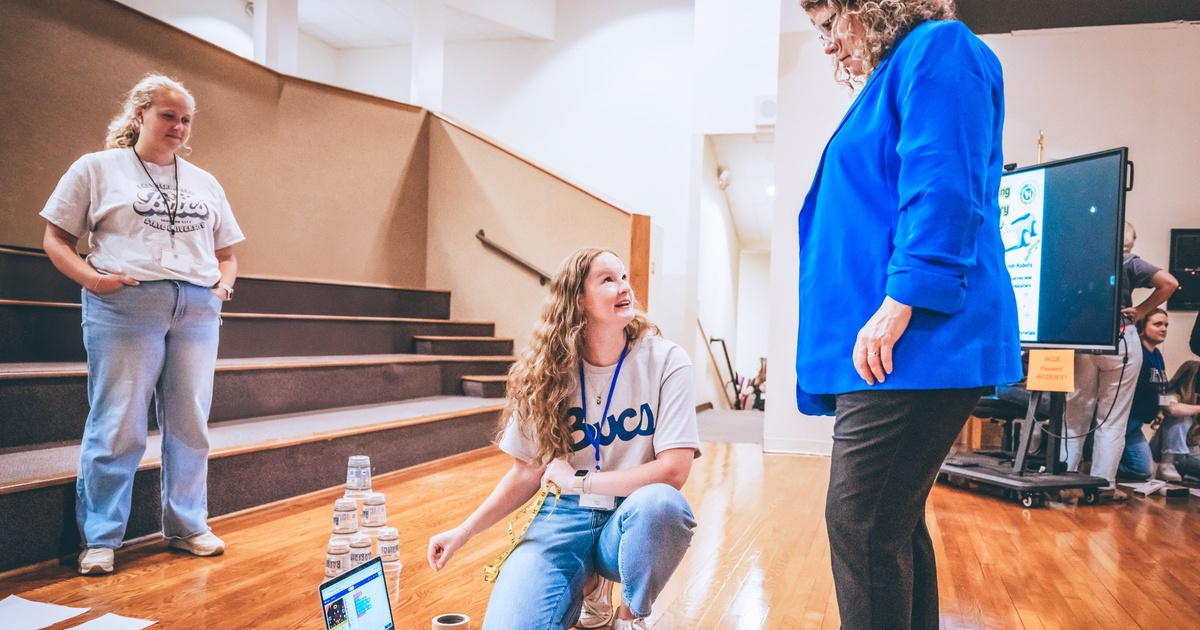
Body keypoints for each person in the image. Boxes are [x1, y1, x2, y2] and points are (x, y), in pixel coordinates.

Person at [795, 2, 1022, 628]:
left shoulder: (941, 47)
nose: (828, 46)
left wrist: (901, 302)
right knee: (888, 523)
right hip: (901, 347)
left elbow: (945, 180)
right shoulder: (899, 68)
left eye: (827, 24)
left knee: (861, 523)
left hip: (917, 341)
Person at [426, 248, 699, 630]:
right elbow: (525, 473)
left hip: (630, 517)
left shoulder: (667, 361)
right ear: (578, 301)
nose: (624, 287)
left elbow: (673, 471)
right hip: (563, 518)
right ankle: (588, 587)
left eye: (623, 277)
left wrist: (580, 481)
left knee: (664, 505)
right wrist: (463, 531)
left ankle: (630, 615)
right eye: (607, 280)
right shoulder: (545, 371)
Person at [40, 74, 244, 575]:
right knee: (118, 423)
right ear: (140, 115)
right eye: (168, 115)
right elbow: (55, 238)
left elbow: (227, 254)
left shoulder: (204, 181)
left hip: (196, 309)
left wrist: (222, 288)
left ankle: (188, 526)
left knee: (190, 423)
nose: (178, 126)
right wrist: (93, 279)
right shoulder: (97, 168)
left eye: (186, 119)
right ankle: (102, 539)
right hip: (127, 306)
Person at [1061, 222, 1177, 498]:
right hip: (1120, 339)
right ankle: (1102, 487)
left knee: (1075, 414)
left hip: (1083, 340)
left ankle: (1063, 480)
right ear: (1130, 241)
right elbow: (1170, 282)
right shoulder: (1129, 262)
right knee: (1111, 419)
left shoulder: (1080, 260)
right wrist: (1141, 310)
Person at [1117, 309, 1170, 480]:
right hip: (1126, 421)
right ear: (1142, 326)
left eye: (1166, 325)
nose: (1163, 329)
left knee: (1145, 471)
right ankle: (1094, 468)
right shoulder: (1136, 352)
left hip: (1136, 425)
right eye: (1157, 324)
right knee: (1142, 470)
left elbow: (1159, 387)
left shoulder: (1157, 354)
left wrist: (1161, 408)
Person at [1150, 361, 1200, 481]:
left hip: (1192, 452)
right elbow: (1171, 409)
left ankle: (1190, 476)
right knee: (1182, 416)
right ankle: (1167, 464)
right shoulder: (1169, 394)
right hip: (1170, 452)